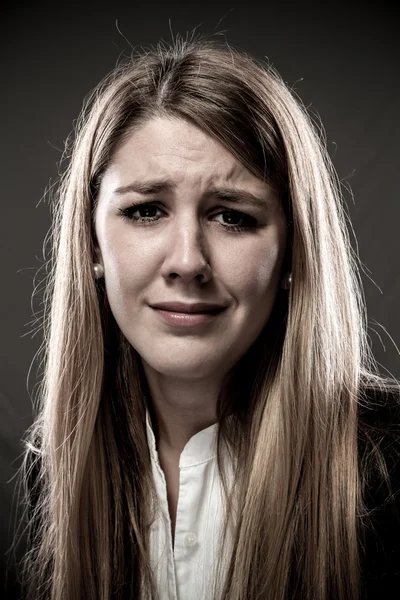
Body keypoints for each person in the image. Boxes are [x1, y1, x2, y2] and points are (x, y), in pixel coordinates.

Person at [17, 35, 400, 600]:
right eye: (146, 211)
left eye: (233, 217)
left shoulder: (389, 464)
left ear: (295, 249)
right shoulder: (52, 474)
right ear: (92, 246)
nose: (188, 261)